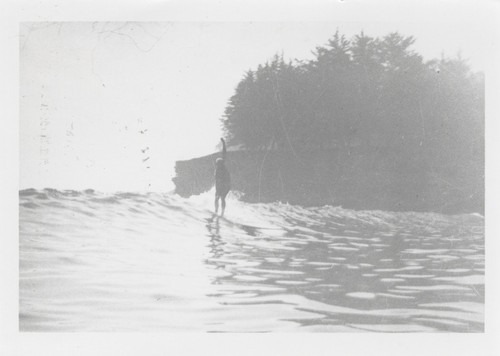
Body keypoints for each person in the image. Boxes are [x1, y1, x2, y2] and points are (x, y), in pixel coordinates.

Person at [214, 138, 231, 216]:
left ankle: (222, 212)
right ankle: (216, 210)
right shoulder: (217, 169)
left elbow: (224, 153)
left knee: (222, 198)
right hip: (220, 185)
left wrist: (224, 143)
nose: (218, 165)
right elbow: (217, 181)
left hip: (226, 185)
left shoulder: (222, 166)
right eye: (217, 164)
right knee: (217, 198)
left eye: (219, 164)